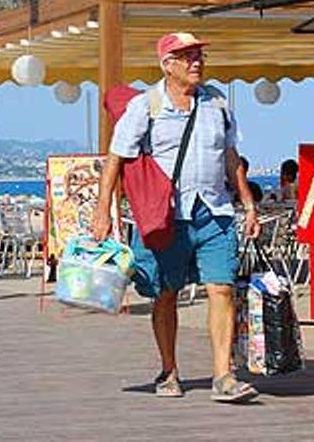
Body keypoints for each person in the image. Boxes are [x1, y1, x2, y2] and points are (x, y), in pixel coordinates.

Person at [93, 32, 261, 402]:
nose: (196, 62)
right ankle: (169, 370)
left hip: (214, 211)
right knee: (166, 294)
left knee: (222, 288)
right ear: (167, 65)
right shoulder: (146, 106)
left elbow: (231, 158)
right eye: (186, 56)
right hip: (168, 216)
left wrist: (247, 204)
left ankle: (223, 375)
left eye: (199, 55)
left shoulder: (217, 102)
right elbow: (115, 159)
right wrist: (102, 210)